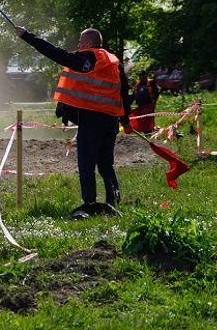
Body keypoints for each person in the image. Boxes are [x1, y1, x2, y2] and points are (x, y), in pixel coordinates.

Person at [12, 25, 132, 219]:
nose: (78, 45)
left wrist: (27, 36)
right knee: (106, 165)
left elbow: (55, 53)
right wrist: (126, 121)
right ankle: (114, 201)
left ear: (88, 44)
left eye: (80, 41)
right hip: (111, 121)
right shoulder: (113, 62)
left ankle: (90, 204)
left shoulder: (86, 59)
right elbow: (123, 93)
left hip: (91, 121)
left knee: (86, 164)